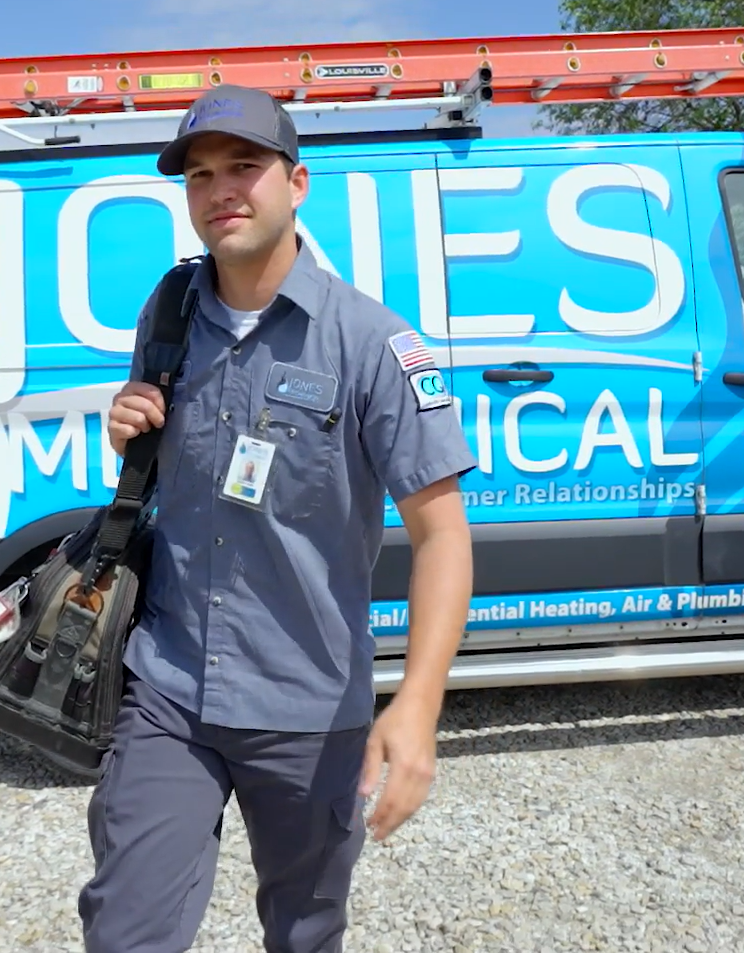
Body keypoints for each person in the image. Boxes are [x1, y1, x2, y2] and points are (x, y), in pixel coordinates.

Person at [80, 84, 479, 953]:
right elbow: (167, 471)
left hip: (309, 708)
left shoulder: (371, 343)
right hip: (170, 689)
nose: (222, 190)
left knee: (303, 933)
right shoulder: (169, 312)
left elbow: (442, 532)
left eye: (245, 168)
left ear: (297, 184)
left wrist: (417, 706)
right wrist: (129, 427)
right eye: (201, 176)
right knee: (124, 929)